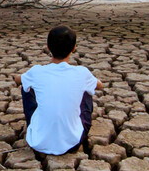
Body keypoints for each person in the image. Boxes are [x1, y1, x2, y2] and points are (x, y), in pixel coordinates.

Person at [14, 25, 103, 155]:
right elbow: (99, 85)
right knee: (87, 89)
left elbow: (18, 79)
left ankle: (39, 126)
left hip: (38, 142)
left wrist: (26, 78)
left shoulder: (37, 72)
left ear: (48, 47)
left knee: (26, 86)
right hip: (73, 142)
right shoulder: (82, 73)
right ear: (74, 48)